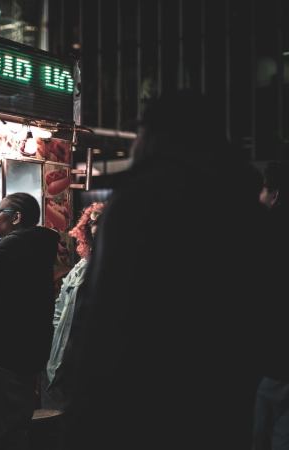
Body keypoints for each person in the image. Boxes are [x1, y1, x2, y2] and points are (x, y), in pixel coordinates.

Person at [63, 91, 270, 450]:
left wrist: (84, 413)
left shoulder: (142, 199)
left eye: (142, 132)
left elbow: (107, 314)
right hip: (224, 394)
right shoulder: (245, 205)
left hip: (140, 396)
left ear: (158, 137)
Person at [0, 192, 59, 450]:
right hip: (30, 355)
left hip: (2, 354)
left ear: (16, 217)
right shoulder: (40, 246)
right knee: (16, 429)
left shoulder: (7, 249)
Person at [45, 202, 104, 411]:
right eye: (93, 224)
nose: (97, 228)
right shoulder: (80, 267)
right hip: (64, 362)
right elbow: (59, 309)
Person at [253, 161, 289, 450]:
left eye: (262, 190)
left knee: (261, 430)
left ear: (274, 194)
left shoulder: (265, 232)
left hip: (272, 358)